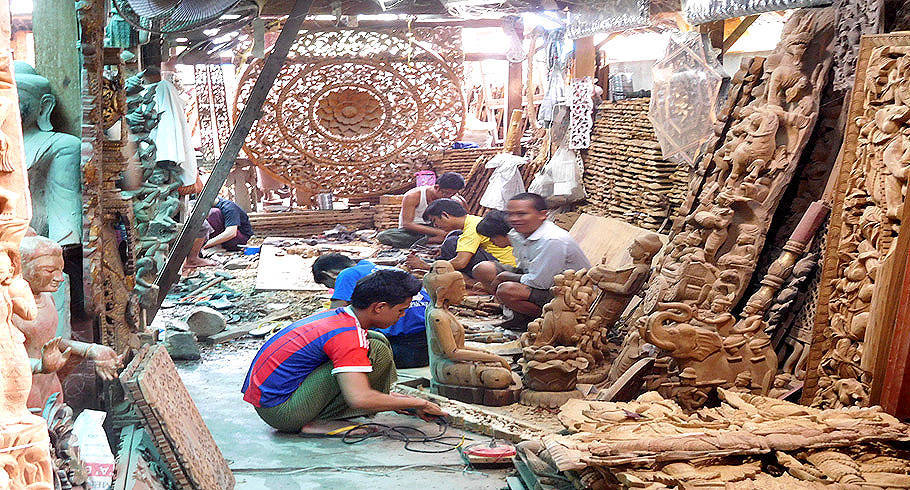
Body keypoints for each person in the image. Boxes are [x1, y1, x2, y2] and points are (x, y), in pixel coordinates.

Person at [242, 270, 445, 433]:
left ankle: (375, 399)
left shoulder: (340, 316)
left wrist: (397, 401)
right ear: (379, 307)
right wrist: (418, 402)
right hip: (281, 412)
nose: (402, 316)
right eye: (401, 310)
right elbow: (359, 399)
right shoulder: (347, 335)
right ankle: (318, 423)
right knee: (373, 351)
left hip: (271, 400)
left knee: (376, 341)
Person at [474, 193, 590, 331]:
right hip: (537, 278)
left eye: (522, 214)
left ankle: (543, 319)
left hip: (564, 293)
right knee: (483, 269)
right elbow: (524, 268)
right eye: (511, 214)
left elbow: (540, 282)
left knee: (507, 290)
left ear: (542, 215)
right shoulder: (518, 234)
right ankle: (512, 311)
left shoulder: (552, 240)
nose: (514, 219)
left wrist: (504, 276)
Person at [312, 254, 430, 368]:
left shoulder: (346, 274)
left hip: (405, 348)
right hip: (430, 343)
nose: (334, 288)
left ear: (329, 275)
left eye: (329, 285)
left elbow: (335, 317)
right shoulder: (385, 269)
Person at [407, 201, 515, 287]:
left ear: (445, 215)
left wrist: (425, 266)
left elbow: (460, 262)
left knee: (452, 242)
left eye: (434, 220)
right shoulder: (472, 220)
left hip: (499, 268)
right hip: (498, 264)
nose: (435, 225)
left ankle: (469, 281)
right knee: (454, 236)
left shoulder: (472, 228)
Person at [376, 172, 467, 248]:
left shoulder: (454, 199)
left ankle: (429, 241)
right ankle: (430, 240)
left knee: (457, 236)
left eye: (452, 194)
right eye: (446, 193)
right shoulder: (414, 196)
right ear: (436, 187)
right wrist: (439, 233)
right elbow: (407, 224)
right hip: (414, 231)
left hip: (437, 229)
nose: (449, 196)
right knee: (384, 236)